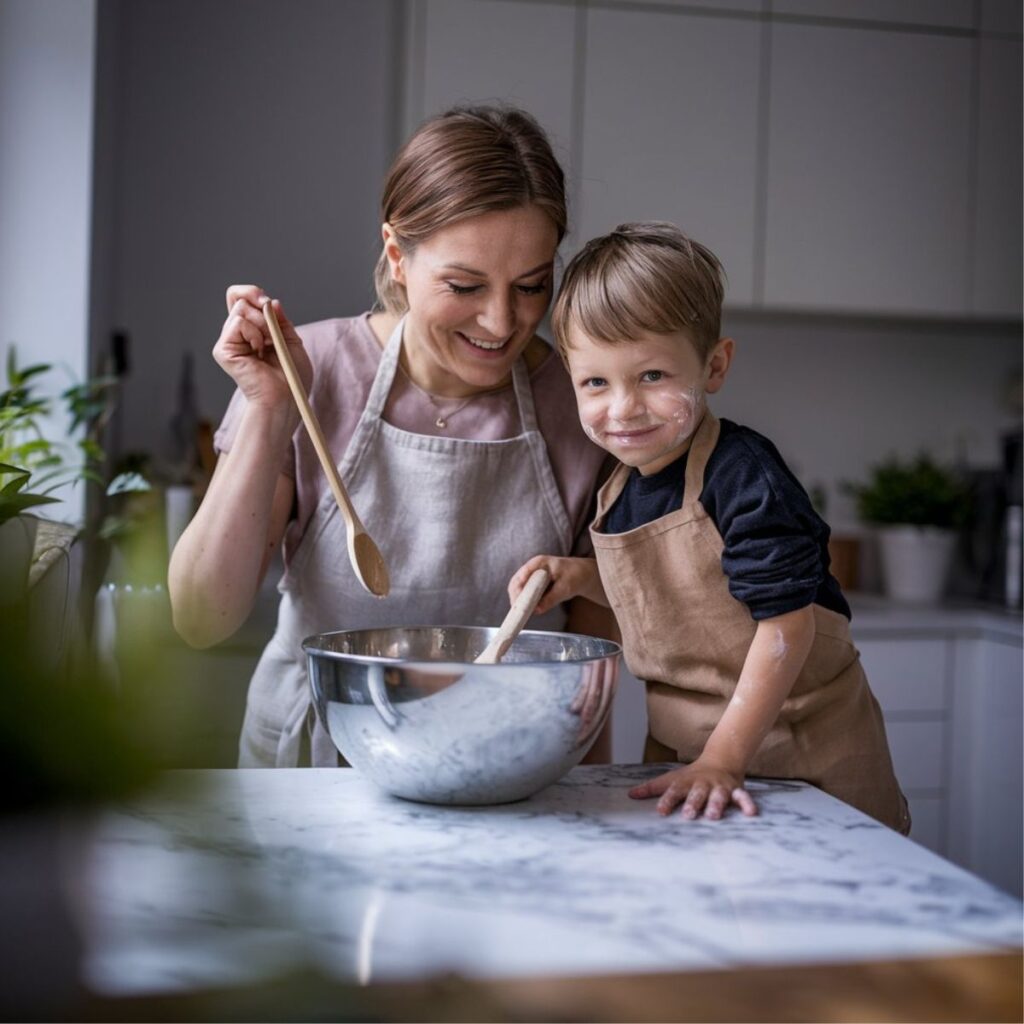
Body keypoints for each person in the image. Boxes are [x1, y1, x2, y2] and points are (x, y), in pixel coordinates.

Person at [168, 106, 614, 768]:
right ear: (397, 256)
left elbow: (590, 669)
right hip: (316, 768)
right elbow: (201, 619)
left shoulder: (583, 405)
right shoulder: (309, 372)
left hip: (513, 770)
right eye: (464, 284)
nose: (501, 321)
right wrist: (269, 409)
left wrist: (591, 813)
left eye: (530, 287)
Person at [508, 222, 909, 831]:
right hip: (683, 755)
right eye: (596, 382)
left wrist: (725, 757)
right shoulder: (619, 485)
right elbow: (671, 592)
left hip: (801, 756)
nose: (622, 408)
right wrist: (580, 578)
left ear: (714, 366)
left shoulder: (744, 477)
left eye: (652, 377)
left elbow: (786, 628)